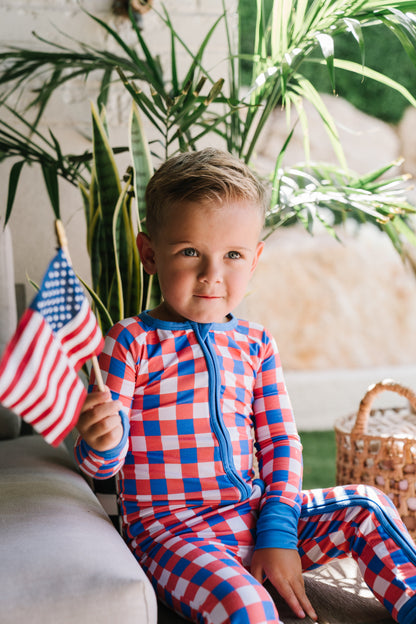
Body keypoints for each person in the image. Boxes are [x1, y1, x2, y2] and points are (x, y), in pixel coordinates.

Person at [75, 147, 416, 624]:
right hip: (176, 535)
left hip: (257, 515)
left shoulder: (255, 344)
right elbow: (101, 465)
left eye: (233, 255)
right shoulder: (131, 342)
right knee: (247, 607)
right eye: (190, 251)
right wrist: (101, 441)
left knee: (368, 506)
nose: (213, 274)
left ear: (254, 259)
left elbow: (280, 443)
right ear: (149, 254)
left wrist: (277, 534)